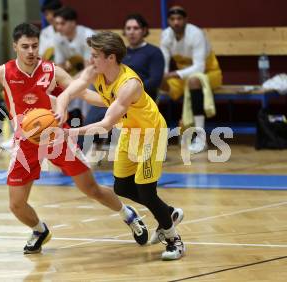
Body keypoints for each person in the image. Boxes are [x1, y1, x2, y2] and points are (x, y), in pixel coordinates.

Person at [0, 23, 148, 255]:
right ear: (15, 47)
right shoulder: (3, 72)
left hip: (56, 137)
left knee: (91, 189)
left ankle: (128, 215)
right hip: (26, 142)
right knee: (16, 205)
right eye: (26, 46)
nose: (31, 51)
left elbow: (83, 93)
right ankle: (39, 230)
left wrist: (119, 103)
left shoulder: (52, 71)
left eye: (35, 46)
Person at [54, 31, 185, 260]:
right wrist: (60, 108)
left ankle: (174, 240)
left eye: (95, 55)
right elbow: (72, 91)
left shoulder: (129, 84)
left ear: (111, 57)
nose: (90, 59)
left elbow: (105, 125)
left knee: (146, 190)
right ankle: (168, 213)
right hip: (129, 132)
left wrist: (68, 133)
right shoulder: (95, 71)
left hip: (150, 135)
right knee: (122, 187)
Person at [78, 13, 165, 152]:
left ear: (143, 30)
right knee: (92, 116)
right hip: (113, 97)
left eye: (135, 28)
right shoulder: (118, 52)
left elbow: (155, 80)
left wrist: (128, 94)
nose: (131, 32)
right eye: (128, 28)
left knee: (107, 119)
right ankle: (81, 152)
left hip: (137, 98)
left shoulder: (153, 52)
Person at [160, 6, 222, 153]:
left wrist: (173, 74)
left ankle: (201, 138)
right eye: (172, 19)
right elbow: (164, 62)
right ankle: (153, 136)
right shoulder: (166, 35)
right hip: (183, 74)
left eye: (179, 19)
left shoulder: (196, 34)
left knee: (194, 80)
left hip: (209, 73)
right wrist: (161, 75)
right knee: (157, 83)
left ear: (185, 20)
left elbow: (199, 67)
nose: (176, 22)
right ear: (168, 21)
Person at [53, 6, 94, 126]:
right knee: (53, 89)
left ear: (73, 23)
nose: (58, 27)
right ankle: (56, 127)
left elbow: (89, 69)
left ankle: (89, 125)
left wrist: (69, 83)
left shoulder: (88, 35)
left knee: (86, 88)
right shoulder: (57, 38)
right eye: (56, 24)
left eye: (62, 23)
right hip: (75, 76)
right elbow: (59, 67)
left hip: (95, 75)